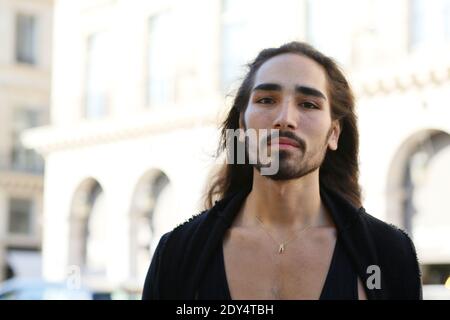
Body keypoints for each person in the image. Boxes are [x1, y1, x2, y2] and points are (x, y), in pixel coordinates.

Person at [142, 42, 422, 300]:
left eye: (308, 104)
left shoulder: (388, 254)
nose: (285, 118)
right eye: (266, 100)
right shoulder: (178, 254)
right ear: (242, 126)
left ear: (334, 133)